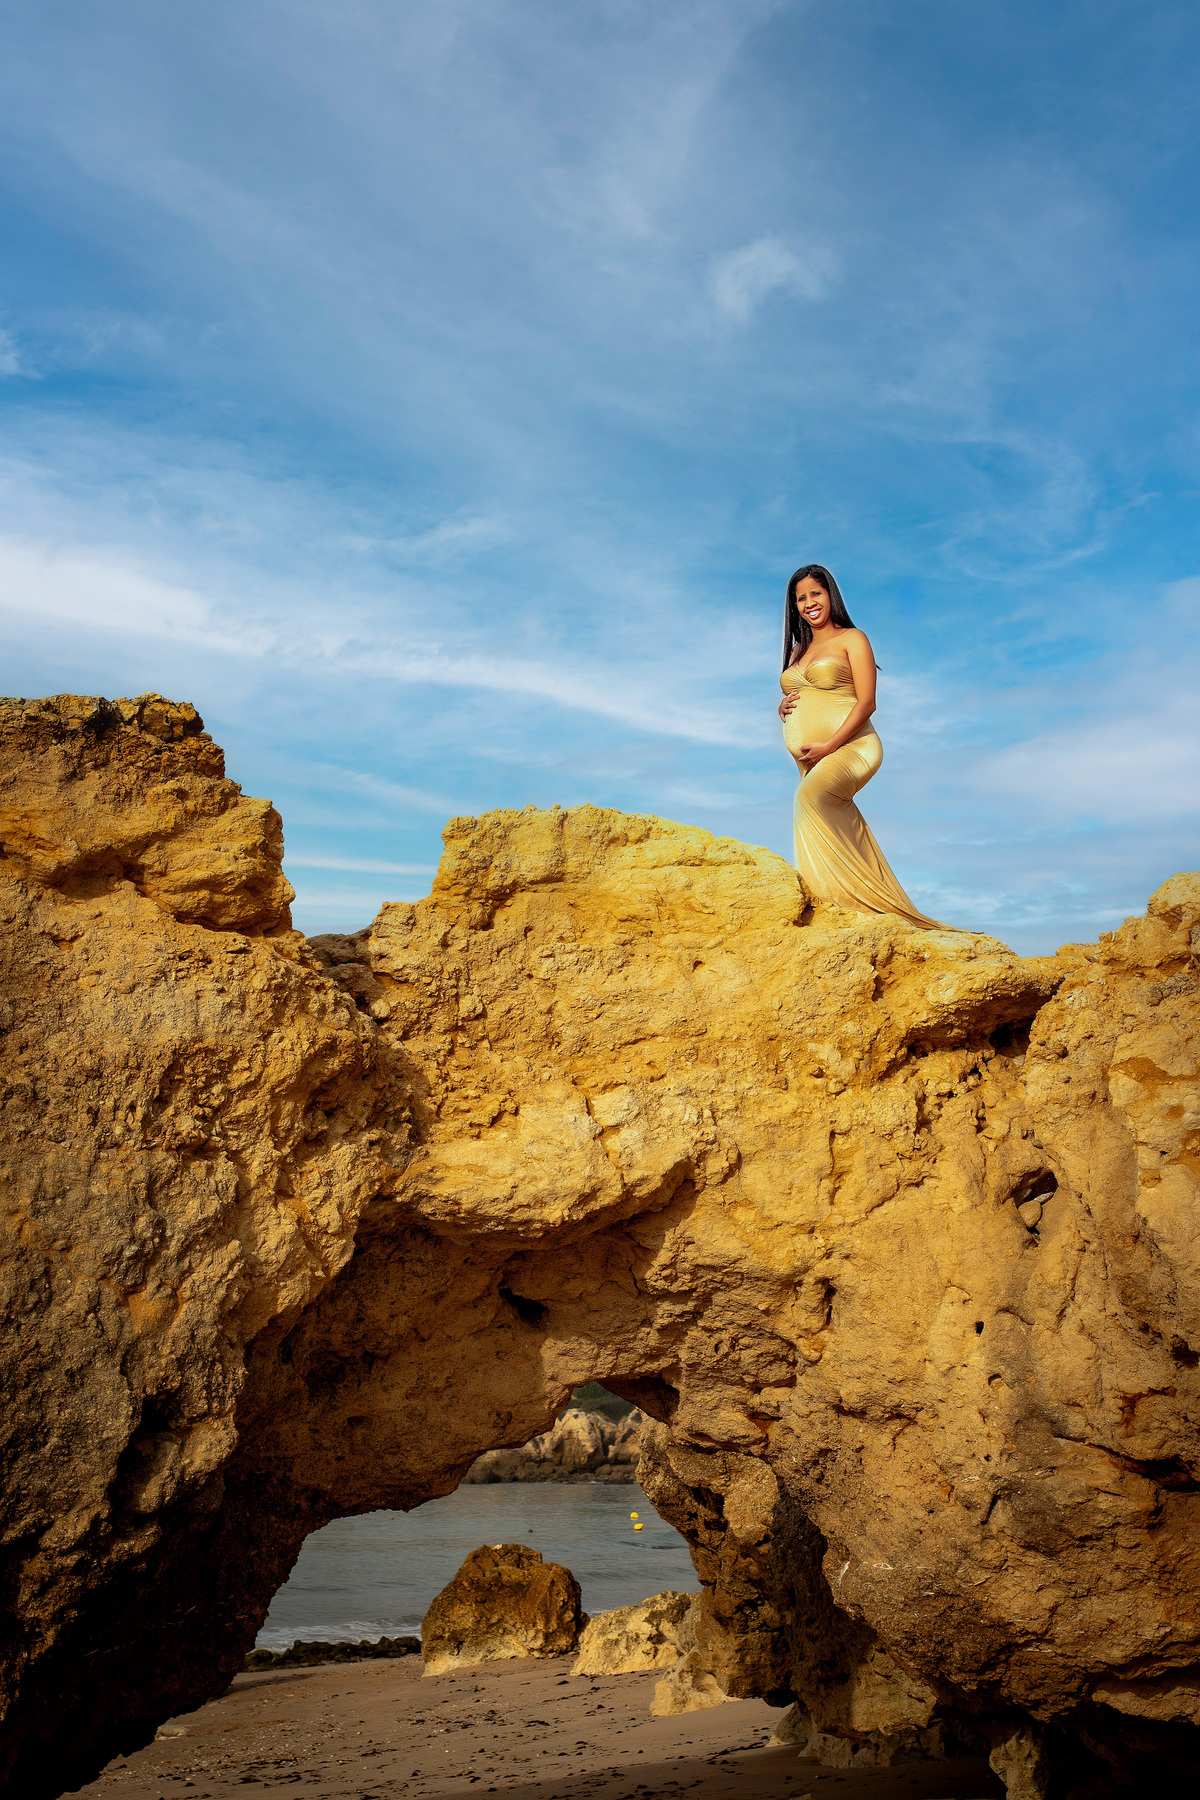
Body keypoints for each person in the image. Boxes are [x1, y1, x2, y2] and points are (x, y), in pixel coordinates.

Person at [778, 564, 942, 929]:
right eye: (801, 598)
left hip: (853, 747)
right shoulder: (798, 650)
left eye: (816, 594)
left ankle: (841, 901)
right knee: (831, 820)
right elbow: (805, 694)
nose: (809, 603)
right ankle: (850, 905)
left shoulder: (853, 638)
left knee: (808, 799)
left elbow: (867, 703)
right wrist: (783, 706)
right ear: (794, 607)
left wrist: (828, 747)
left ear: (830, 595)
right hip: (813, 756)